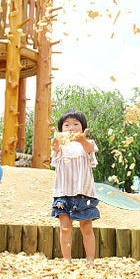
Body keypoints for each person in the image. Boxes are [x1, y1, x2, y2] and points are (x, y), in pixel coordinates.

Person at [51, 110, 100, 265]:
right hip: (62, 193)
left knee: (87, 227)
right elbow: (55, 149)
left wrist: (82, 140)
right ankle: (67, 259)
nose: (71, 128)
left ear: (83, 128)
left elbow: (89, 150)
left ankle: (90, 260)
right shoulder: (60, 147)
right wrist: (55, 143)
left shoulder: (88, 144)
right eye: (66, 125)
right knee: (65, 228)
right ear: (60, 130)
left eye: (75, 124)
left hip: (84, 193)